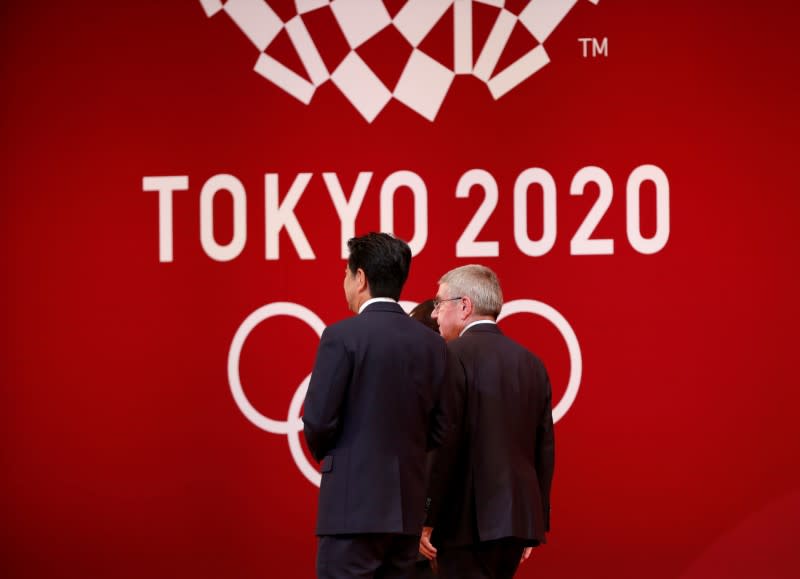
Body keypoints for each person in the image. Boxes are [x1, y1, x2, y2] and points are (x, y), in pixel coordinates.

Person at [303, 233, 450, 579]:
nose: (344, 281)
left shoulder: (341, 336)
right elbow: (442, 427)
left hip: (351, 510)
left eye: (345, 273)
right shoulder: (433, 344)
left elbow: (318, 422)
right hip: (406, 514)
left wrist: (345, 458)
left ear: (361, 278)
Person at [419, 265, 555, 579]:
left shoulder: (450, 356)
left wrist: (427, 516)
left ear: (464, 306)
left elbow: (444, 443)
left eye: (439, 304)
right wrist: (533, 521)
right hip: (516, 522)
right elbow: (544, 448)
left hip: (465, 523)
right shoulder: (532, 363)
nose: (435, 315)